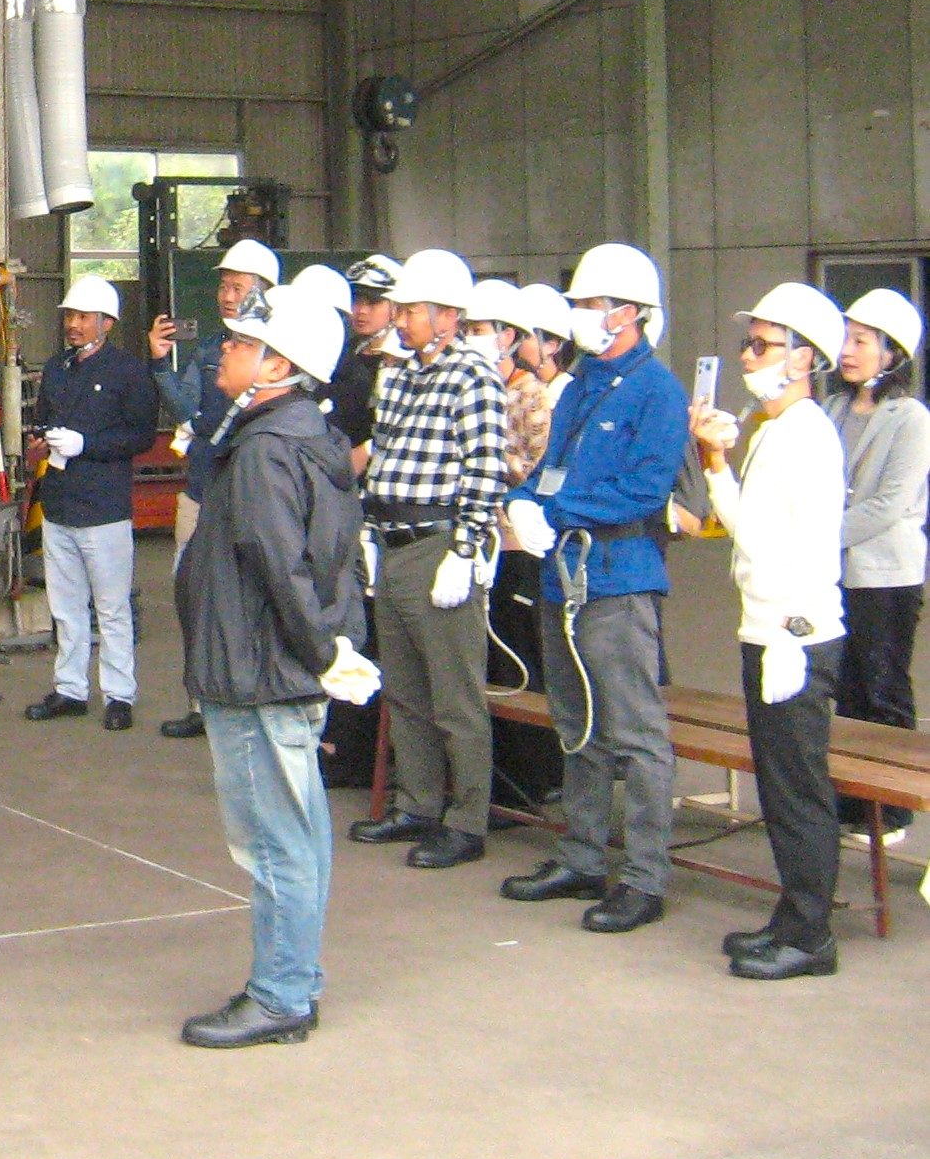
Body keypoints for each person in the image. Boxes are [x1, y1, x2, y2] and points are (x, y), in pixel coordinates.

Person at [173, 290, 375, 1049]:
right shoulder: (306, 433)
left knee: (271, 838)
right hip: (278, 666)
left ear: (277, 365)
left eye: (240, 343)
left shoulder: (263, 448)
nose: (225, 350)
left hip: (258, 671)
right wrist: (329, 648)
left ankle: (281, 993)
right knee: (300, 827)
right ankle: (294, 978)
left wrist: (323, 648)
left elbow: (280, 565)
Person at [496, 242, 689, 934]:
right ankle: (580, 855)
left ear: (629, 312)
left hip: (616, 576)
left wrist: (552, 512)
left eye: (588, 303)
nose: (579, 314)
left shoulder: (658, 391)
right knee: (576, 726)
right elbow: (552, 468)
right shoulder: (581, 386)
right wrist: (523, 498)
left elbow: (642, 488)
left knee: (636, 734)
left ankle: (644, 875)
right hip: (564, 574)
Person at [690, 284, 849, 980]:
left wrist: (791, 628)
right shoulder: (774, 427)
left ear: (804, 357)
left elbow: (804, 544)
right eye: (747, 343)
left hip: (793, 633)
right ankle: (793, 914)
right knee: (781, 788)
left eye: (764, 344)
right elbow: (748, 526)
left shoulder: (807, 434)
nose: (749, 356)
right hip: (769, 627)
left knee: (798, 787)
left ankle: (811, 933)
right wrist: (716, 461)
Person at [347, 247, 508, 870]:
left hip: (438, 545)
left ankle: (466, 820)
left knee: (454, 696)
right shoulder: (400, 372)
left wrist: (466, 548)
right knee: (407, 690)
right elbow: (383, 451)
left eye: (412, 309)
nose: (402, 318)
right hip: (392, 543)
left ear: (447, 315)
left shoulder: (473, 374)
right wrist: (367, 524)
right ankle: (416, 804)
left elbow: (485, 466)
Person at [148, 236, 280, 738]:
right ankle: (202, 705)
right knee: (194, 598)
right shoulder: (208, 351)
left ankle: (251, 702)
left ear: (265, 291)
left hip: (249, 500)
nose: (227, 295)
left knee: (249, 603)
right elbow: (189, 412)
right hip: (201, 494)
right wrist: (161, 363)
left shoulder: (276, 357)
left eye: (238, 286)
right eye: (224, 285)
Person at [24, 277, 162, 730]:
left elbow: (140, 435)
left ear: (107, 322)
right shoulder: (58, 368)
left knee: (111, 606)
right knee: (65, 605)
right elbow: (43, 418)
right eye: (69, 316)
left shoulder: (128, 372)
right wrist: (41, 441)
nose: (73, 325)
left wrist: (87, 444)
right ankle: (70, 688)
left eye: (83, 317)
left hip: (103, 505)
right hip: (60, 503)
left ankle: (119, 694)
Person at [827, 288, 929, 835]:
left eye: (861, 340)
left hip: (886, 575)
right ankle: (850, 798)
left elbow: (889, 504)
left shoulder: (911, 419)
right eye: (846, 337)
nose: (847, 349)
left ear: (892, 353)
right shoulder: (833, 407)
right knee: (843, 686)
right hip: (835, 572)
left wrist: (820, 537)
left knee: (882, 687)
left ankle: (891, 808)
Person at [467, 280, 550, 486]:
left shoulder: (532, 393)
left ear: (506, 336)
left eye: (477, 331)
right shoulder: (465, 386)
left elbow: (535, 467)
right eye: (466, 331)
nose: (468, 338)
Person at [333, 254, 403, 474]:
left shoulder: (403, 360)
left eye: (373, 302)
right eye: (357, 300)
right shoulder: (341, 351)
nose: (361, 310)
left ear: (395, 307)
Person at [517, 283, 578, 419]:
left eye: (524, 337)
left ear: (551, 346)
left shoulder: (567, 391)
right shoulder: (515, 389)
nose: (515, 345)